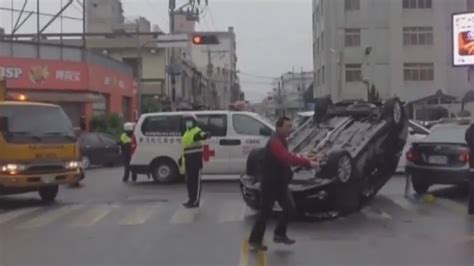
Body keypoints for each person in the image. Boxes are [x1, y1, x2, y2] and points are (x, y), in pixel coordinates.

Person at [248, 116, 319, 251]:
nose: (290, 129)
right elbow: (285, 157)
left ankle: (279, 234)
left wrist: (302, 156)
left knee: (290, 209)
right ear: (279, 127)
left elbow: (287, 155)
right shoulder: (274, 142)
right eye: (287, 126)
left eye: (291, 126)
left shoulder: (282, 140)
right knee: (265, 213)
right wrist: (308, 163)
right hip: (270, 183)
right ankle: (255, 240)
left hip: (280, 183)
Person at [181, 114, 209, 208]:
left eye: (189, 121)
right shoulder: (186, 132)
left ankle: (195, 201)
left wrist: (204, 135)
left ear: (193, 122)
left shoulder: (197, 130)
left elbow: (203, 135)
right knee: (189, 181)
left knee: (196, 182)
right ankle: (191, 199)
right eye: (186, 121)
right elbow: (185, 146)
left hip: (196, 159)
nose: (187, 123)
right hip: (188, 158)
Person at [465, 120, 474, 215]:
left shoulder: (468, 131)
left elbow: (468, 141)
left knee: (472, 184)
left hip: (472, 160)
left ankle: (471, 209)